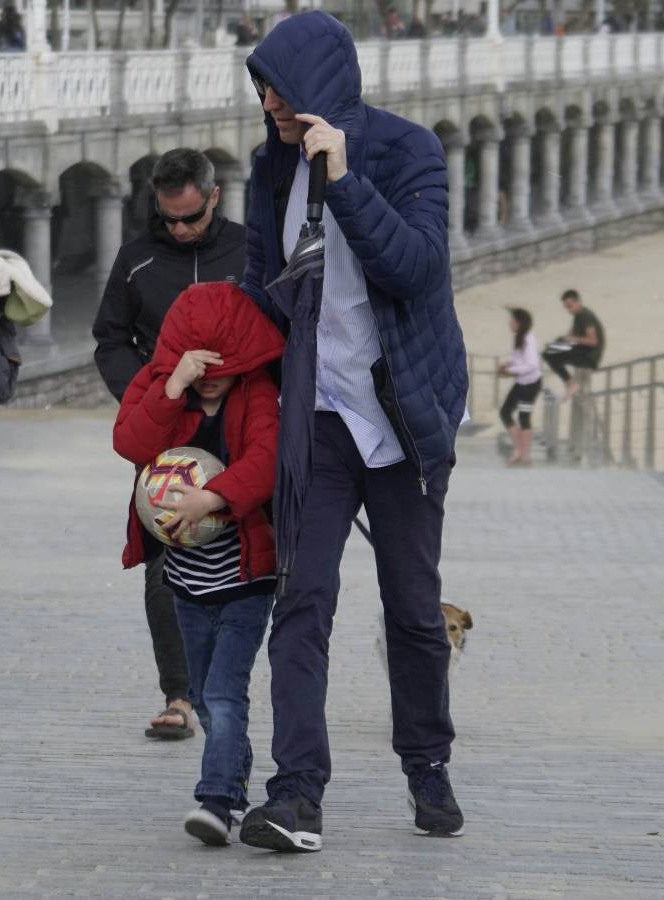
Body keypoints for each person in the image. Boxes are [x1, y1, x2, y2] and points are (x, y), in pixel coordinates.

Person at [238, 11, 469, 851]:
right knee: (302, 600)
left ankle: (427, 763)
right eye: (260, 83)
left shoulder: (408, 150)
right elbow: (265, 289)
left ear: (319, 87)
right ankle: (296, 793)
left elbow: (415, 267)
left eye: (278, 84)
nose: (266, 99)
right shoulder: (269, 170)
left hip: (407, 413)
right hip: (322, 414)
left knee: (411, 607)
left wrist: (343, 178)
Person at [112, 282, 283, 846]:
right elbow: (130, 442)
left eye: (221, 366)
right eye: (199, 365)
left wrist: (214, 497)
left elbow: (266, 460)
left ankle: (215, 801)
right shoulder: (165, 386)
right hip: (185, 583)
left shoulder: (256, 394)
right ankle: (232, 779)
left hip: (244, 580)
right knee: (208, 697)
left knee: (224, 694)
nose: (211, 376)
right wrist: (172, 386)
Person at [92, 148, 248, 742]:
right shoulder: (136, 260)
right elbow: (109, 337)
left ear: (214, 197)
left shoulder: (251, 250)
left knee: (251, 560)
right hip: (165, 429)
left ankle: (229, 687)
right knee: (165, 563)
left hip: (243, 423)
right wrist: (147, 391)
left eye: (191, 218)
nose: (180, 229)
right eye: (169, 218)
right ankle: (179, 694)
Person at [542, 289, 605, 402]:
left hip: (590, 357)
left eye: (570, 306)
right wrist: (563, 340)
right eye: (566, 307)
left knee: (549, 353)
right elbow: (571, 334)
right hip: (584, 351)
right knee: (550, 349)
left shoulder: (585, 316)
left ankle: (571, 384)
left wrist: (571, 339)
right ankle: (559, 373)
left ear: (578, 302)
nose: (568, 310)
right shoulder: (579, 315)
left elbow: (593, 341)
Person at [498, 307, 541, 466]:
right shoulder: (519, 337)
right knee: (505, 412)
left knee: (524, 418)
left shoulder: (528, 339)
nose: (510, 322)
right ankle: (520, 451)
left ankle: (524, 456)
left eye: (512, 320)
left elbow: (532, 365)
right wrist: (507, 365)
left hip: (530, 384)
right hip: (522, 382)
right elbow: (519, 360)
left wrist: (510, 370)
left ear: (519, 322)